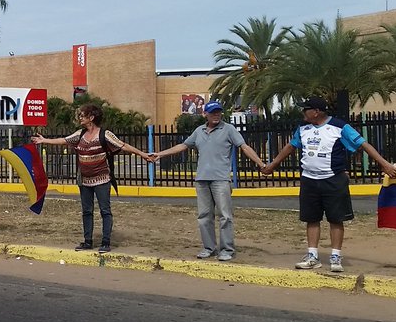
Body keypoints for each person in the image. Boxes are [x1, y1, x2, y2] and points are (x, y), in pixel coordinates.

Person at [262, 96, 396, 272]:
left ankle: (335, 256)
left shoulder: (339, 127)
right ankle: (312, 256)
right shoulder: (303, 128)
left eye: (306, 109)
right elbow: (291, 146)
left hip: (334, 179)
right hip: (309, 180)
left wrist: (384, 164)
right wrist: (273, 164)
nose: (303, 112)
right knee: (311, 218)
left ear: (316, 112)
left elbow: (363, 144)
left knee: (336, 218)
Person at [152, 101, 267, 260]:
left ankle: (227, 250)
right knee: (204, 216)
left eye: (218, 112)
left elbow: (244, 147)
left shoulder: (228, 129)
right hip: (201, 180)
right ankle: (209, 248)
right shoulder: (199, 131)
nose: (216, 115)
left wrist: (261, 164)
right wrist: (160, 154)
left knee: (225, 216)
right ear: (205, 114)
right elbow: (183, 146)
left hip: (221, 180)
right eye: (213, 112)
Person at [33, 103, 153, 252]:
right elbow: (64, 140)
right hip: (84, 180)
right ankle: (87, 241)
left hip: (102, 179)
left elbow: (124, 146)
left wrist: (144, 155)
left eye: (82, 115)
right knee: (87, 211)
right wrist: (44, 141)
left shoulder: (105, 134)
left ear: (91, 117)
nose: (80, 118)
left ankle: (105, 242)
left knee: (105, 210)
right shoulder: (80, 134)